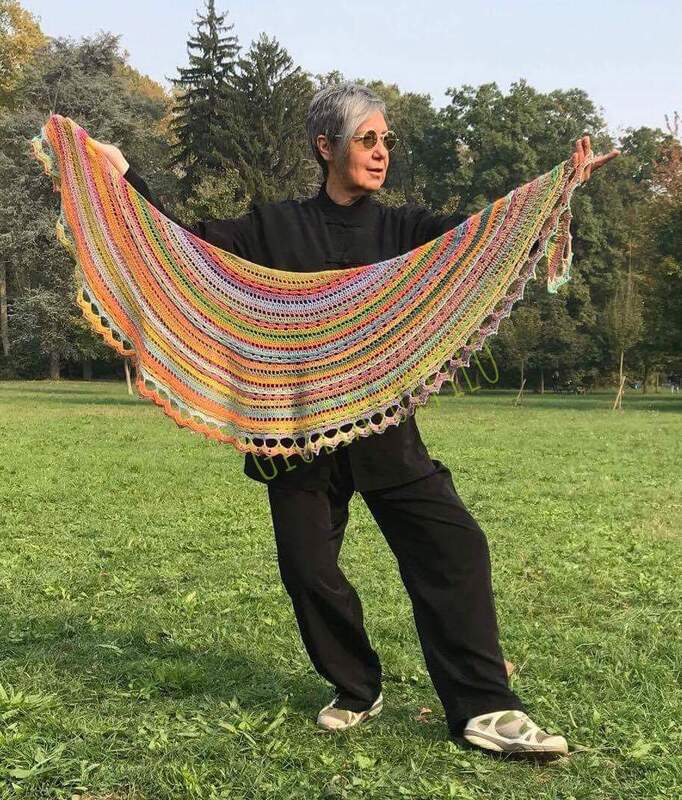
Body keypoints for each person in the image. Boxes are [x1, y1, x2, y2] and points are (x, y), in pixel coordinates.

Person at [91, 82, 618, 760]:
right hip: (296, 437)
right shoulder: (273, 227)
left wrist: (557, 187)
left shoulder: (403, 231)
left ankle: (485, 707)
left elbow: (488, 233)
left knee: (455, 548)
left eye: (386, 141)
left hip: (385, 435)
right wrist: (122, 175)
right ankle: (357, 685)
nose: (381, 151)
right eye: (367, 139)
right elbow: (185, 246)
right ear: (326, 146)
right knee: (308, 571)